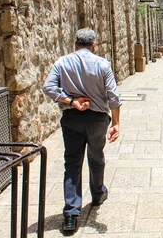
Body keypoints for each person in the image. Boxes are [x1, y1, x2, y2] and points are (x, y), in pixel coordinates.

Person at [43, 28, 121, 232]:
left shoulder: (61, 63)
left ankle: (71, 215)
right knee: (96, 157)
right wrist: (116, 123)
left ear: (74, 43)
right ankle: (97, 194)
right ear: (94, 44)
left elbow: (48, 88)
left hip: (72, 118)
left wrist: (71, 101)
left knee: (72, 163)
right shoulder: (102, 64)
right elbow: (113, 96)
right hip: (97, 119)